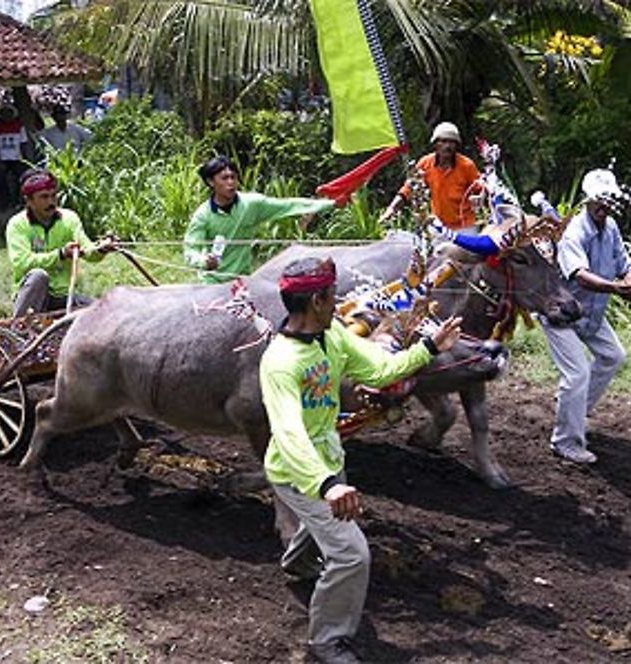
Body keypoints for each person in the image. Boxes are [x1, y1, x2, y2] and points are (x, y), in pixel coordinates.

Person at [260, 257, 462, 664]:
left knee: (323, 530)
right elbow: (289, 433)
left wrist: (428, 348)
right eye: (334, 295)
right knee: (352, 554)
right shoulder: (281, 363)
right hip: (300, 473)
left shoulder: (331, 335)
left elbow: (380, 369)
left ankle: (297, 564)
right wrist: (327, 484)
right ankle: (327, 642)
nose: (339, 302)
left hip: (329, 459)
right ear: (317, 300)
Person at [542, 168, 631, 464]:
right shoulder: (575, 231)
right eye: (599, 202)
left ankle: (575, 411)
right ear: (587, 202)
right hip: (561, 312)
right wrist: (617, 289)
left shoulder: (610, 227)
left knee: (613, 356)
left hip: (590, 312)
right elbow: (581, 276)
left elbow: (625, 265)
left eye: (608, 203)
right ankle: (565, 442)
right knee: (577, 373)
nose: (604, 207)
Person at [183, 156, 335, 283]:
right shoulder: (202, 215)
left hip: (242, 280)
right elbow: (190, 250)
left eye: (233, 177)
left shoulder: (252, 204)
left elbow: (288, 205)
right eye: (224, 178)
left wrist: (330, 203)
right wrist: (203, 261)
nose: (230, 182)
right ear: (211, 182)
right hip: (212, 282)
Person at [5, 168, 116, 317]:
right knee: (39, 276)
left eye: (53, 195)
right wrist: (61, 254)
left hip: (64, 296)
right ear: (29, 201)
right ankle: (20, 327)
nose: (51, 202)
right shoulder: (17, 224)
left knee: (102, 314)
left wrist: (102, 249)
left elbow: (88, 251)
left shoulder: (69, 218)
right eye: (44, 197)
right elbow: (22, 263)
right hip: (33, 296)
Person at [378, 122, 481, 230]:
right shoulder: (425, 164)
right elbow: (408, 189)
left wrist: (479, 198)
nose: (448, 146)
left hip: (465, 226)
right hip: (439, 226)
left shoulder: (467, 165)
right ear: (436, 144)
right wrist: (391, 209)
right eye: (444, 141)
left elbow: (482, 189)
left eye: (452, 142)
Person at [0, 104, 30, 209]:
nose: (7, 115)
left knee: (21, 176)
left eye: (9, 113)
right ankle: (5, 200)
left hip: (17, 158)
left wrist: (25, 160)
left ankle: (18, 201)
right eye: (4, 113)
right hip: (3, 159)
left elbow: (23, 144)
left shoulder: (19, 126)